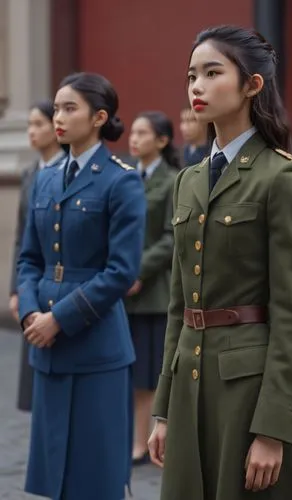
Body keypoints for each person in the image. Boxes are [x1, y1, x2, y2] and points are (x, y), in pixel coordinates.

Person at [148, 25, 292, 500]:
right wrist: (164, 408)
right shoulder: (189, 180)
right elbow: (180, 307)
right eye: (190, 76)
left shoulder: (282, 177)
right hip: (191, 390)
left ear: (252, 85)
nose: (196, 86)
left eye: (211, 72)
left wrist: (273, 427)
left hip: (249, 391)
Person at [17, 72, 146, 500]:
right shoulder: (46, 178)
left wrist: (60, 318)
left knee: (97, 474)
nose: (59, 116)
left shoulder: (121, 179)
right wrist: (31, 313)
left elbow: (121, 271)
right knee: (55, 473)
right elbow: (30, 259)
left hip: (96, 347)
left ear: (99, 117)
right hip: (48, 347)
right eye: (56, 107)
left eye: (70, 108)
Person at [9, 99, 67, 412]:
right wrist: (16, 287)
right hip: (33, 281)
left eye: (38, 124)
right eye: (29, 125)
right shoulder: (31, 172)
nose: (32, 132)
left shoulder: (68, 169)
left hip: (62, 279)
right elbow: (21, 237)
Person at [125, 111, 177, 465]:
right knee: (129, 373)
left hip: (153, 290)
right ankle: (132, 438)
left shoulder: (173, 181)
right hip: (122, 289)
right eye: (133, 131)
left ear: (162, 141)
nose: (134, 137)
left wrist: (138, 269)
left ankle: (145, 442)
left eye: (143, 133)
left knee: (149, 373)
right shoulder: (125, 177)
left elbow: (173, 236)